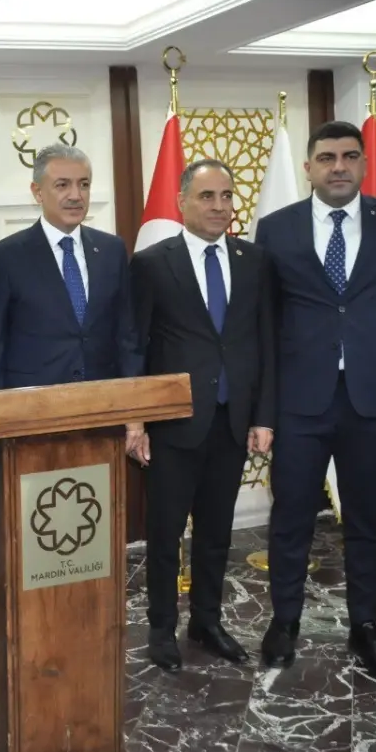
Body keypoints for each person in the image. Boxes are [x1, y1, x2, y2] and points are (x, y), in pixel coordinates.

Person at [255, 120, 376, 682]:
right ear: (308, 167)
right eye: (327, 157)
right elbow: (264, 323)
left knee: (367, 519)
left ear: (363, 164)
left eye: (350, 156)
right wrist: (264, 406)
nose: (339, 166)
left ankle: (366, 626)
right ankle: (284, 621)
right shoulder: (276, 228)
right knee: (291, 517)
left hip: (375, 396)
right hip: (300, 400)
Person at [129, 159, 276, 672]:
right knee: (165, 534)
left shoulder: (254, 261)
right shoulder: (152, 263)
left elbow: (264, 342)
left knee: (216, 532)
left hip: (232, 421)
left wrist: (263, 416)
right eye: (207, 196)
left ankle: (207, 623)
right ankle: (161, 628)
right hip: (173, 425)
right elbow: (136, 346)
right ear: (182, 202)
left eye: (227, 196)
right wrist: (136, 421)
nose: (219, 206)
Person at [0, 143, 143, 448]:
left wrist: (134, 413)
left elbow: (126, 337)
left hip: (103, 414)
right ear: (37, 192)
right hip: (31, 419)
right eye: (62, 185)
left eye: (84, 184)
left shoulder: (112, 250)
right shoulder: (5, 257)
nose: (75, 195)